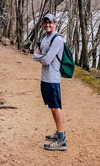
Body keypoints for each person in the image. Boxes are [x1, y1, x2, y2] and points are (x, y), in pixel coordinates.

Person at [33, 13, 67, 151]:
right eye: (45, 22)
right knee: (52, 107)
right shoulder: (45, 38)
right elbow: (35, 55)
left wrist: (41, 56)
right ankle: (59, 134)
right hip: (45, 78)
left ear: (55, 24)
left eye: (50, 22)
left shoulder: (57, 39)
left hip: (53, 79)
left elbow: (45, 60)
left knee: (55, 107)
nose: (47, 25)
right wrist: (42, 56)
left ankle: (61, 140)